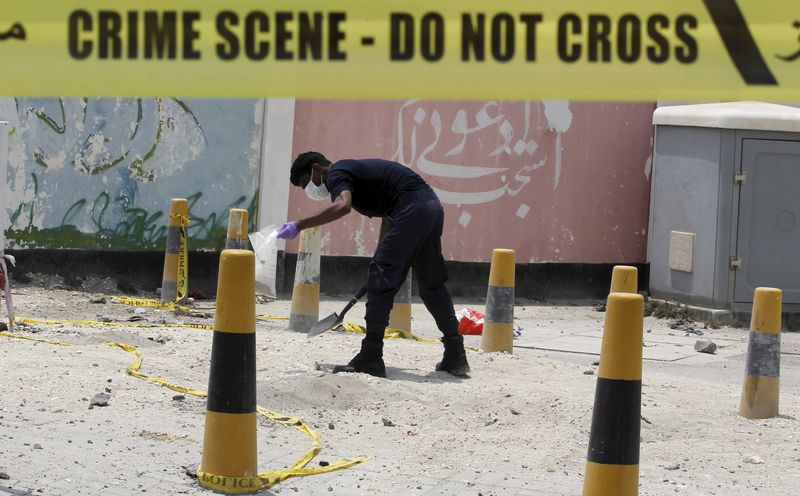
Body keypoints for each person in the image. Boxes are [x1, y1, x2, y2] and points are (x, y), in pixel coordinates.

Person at [277, 151, 470, 378]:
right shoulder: (354, 171)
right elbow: (388, 216)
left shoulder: (336, 173)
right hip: (430, 208)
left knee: (380, 283)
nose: (310, 189)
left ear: (317, 170)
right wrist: (379, 256)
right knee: (431, 284)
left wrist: (300, 224)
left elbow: (343, 206)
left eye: (306, 183)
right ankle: (455, 355)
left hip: (412, 209)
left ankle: (370, 355)